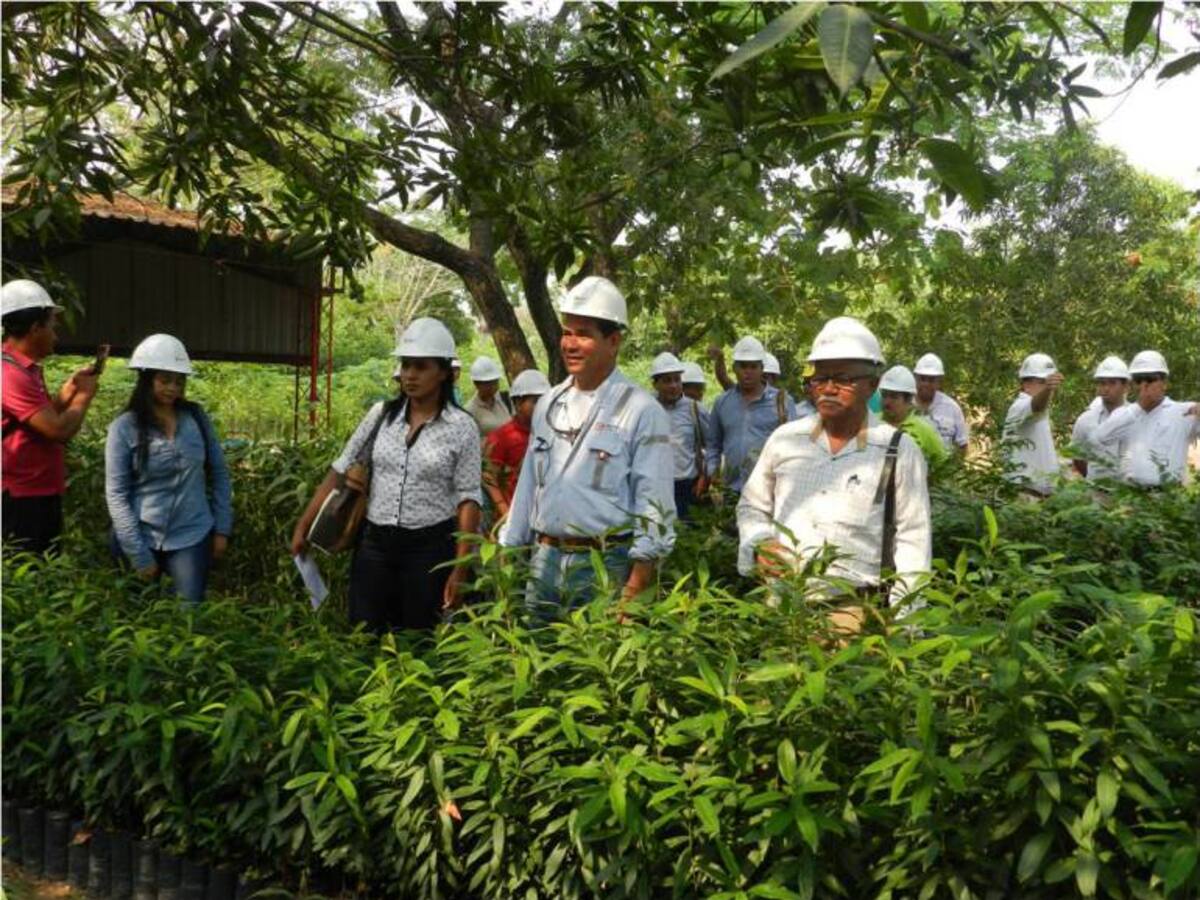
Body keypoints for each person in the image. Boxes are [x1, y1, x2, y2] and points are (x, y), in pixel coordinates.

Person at [737, 317, 931, 635]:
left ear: (872, 384)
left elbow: (914, 539)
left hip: (855, 612)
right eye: (820, 378)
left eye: (842, 379)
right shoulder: (785, 439)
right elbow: (751, 506)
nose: (827, 389)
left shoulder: (897, 449)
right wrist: (760, 542)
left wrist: (906, 623)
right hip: (783, 605)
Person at [498, 277, 675, 621]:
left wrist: (634, 592)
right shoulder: (550, 403)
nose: (570, 344)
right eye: (567, 332)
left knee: (598, 667)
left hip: (605, 564)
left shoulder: (640, 410)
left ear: (613, 341)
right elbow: (528, 485)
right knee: (540, 661)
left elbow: (655, 506)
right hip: (544, 559)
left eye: (583, 334)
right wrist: (508, 553)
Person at [291, 318, 481, 632]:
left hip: (430, 548)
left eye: (421, 367)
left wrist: (460, 568)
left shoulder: (462, 428)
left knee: (418, 635)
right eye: (406, 365)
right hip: (375, 545)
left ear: (445, 372)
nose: (409, 375)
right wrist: (304, 524)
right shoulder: (382, 415)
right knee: (364, 632)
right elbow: (340, 470)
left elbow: (468, 498)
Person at [105, 334, 232, 603]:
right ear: (146, 379)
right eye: (164, 380)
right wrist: (138, 554)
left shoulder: (196, 418)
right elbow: (116, 494)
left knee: (188, 616)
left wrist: (222, 529)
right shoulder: (124, 427)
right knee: (137, 618)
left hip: (192, 534)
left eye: (179, 381)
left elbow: (219, 473)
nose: (172, 388)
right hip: (140, 534)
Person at [2, 279, 101, 554]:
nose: (56, 335)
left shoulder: (24, 370)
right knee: (30, 576)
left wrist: (68, 392)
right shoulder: (9, 375)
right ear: (35, 328)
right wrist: (84, 396)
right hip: (22, 499)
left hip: (37, 494)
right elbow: (57, 430)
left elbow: (37, 421)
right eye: (52, 326)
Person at [1092, 351, 1199, 488]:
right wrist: (1140, 406)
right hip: (1132, 498)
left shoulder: (1184, 412)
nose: (1144, 385)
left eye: (1150, 379)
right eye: (1138, 380)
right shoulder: (1125, 414)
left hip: (1169, 498)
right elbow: (1101, 438)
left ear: (1164, 383)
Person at [706, 336, 797, 493]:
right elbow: (713, 444)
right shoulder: (722, 403)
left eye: (753, 367)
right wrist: (713, 471)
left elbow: (793, 445)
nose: (748, 372)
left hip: (768, 488)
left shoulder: (782, 402)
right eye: (743, 366)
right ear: (734, 368)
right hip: (731, 489)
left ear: (762, 368)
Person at [483, 368, 550, 521]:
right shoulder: (500, 438)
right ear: (518, 403)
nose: (542, 406)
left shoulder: (551, 433)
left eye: (544, 400)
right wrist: (504, 512)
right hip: (515, 515)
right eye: (535, 401)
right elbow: (489, 477)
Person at [649, 351, 709, 518]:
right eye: (667, 380)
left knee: (688, 536)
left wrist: (705, 476)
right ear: (655, 384)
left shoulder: (695, 409)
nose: (674, 385)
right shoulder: (646, 408)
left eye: (677, 379)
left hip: (687, 487)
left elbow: (713, 445)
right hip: (654, 486)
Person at [1001, 353, 1064, 495]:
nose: (1049, 386)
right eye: (1043, 381)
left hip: (1039, 497)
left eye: (1049, 382)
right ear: (1026, 383)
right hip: (1024, 494)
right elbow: (1036, 406)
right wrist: (1048, 389)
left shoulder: (1041, 412)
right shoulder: (1020, 407)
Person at [1069, 356, 1129, 481]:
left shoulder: (1137, 417)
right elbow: (1077, 456)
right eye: (1102, 383)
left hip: (1130, 495)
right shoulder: (1086, 420)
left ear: (1125, 386)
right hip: (1096, 494)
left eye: (1112, 383)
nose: (1106, 388)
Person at [879, 365, 949, 469]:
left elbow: (943, 463)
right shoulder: (872, 423)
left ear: (908, 401)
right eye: (884, 395)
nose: (887, 402)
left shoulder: (923, 430)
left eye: (894, 397)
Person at [912, 353, 969, 453]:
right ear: (915, 378)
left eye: (931, 380)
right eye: (922, 379)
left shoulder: (952, 408)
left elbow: (962, 445)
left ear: (939, 381)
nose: (926, 384)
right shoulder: (904, 404)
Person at [465, 356, 512, 437]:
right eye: (488, 383)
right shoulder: (470, 410)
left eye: (495, 382)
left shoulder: (505, 399)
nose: (493, 387)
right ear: (476, 384)